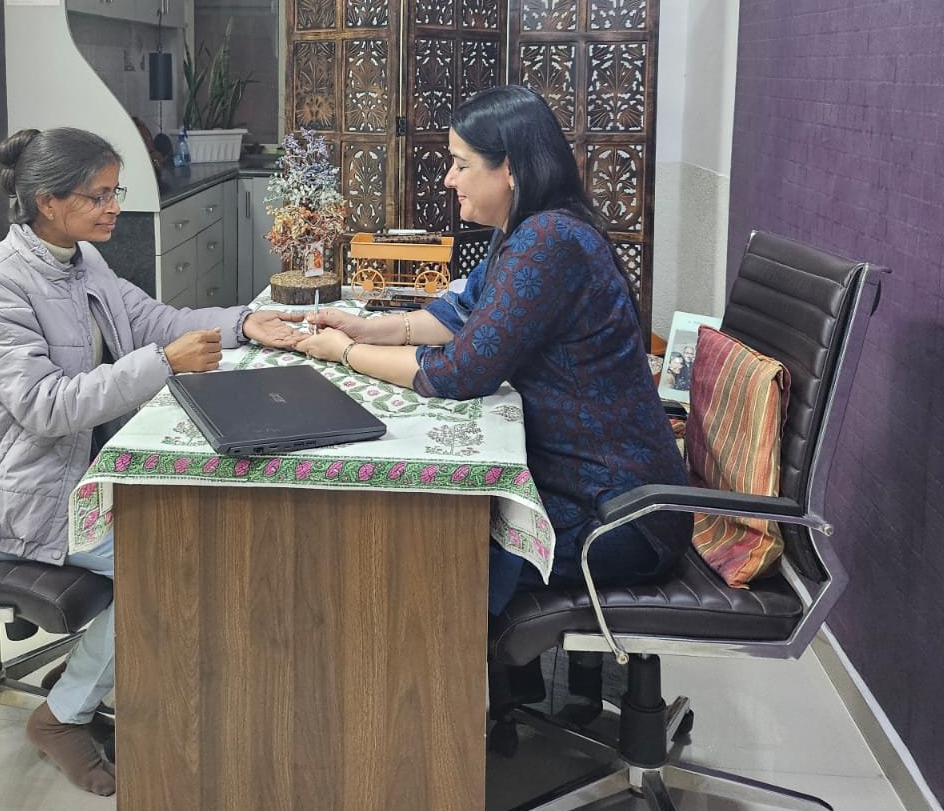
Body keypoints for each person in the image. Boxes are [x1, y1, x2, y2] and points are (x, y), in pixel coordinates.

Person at [0, 127, 302, 796]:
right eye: (97, 196)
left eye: (114, 191)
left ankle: (85, 673)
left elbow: (151, 320)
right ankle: (61, 719)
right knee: (166, 561)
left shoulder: (80, 260)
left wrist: (242, 324)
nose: (113, 208)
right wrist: (163, 365)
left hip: (66, 478)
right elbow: (46, 407)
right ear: (47, 202)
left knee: (189, 528)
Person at [296, 85, 691, 630]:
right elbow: (460, 312)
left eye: (461, 165)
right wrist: (365, 327)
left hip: (620, 513)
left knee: (429, 550)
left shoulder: (549, 241)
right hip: (587, 485)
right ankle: (505, 673)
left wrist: (346, 352)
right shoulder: (527, 230)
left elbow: (458, 373)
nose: (448, 179)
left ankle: (468, 678)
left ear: (509, 169)